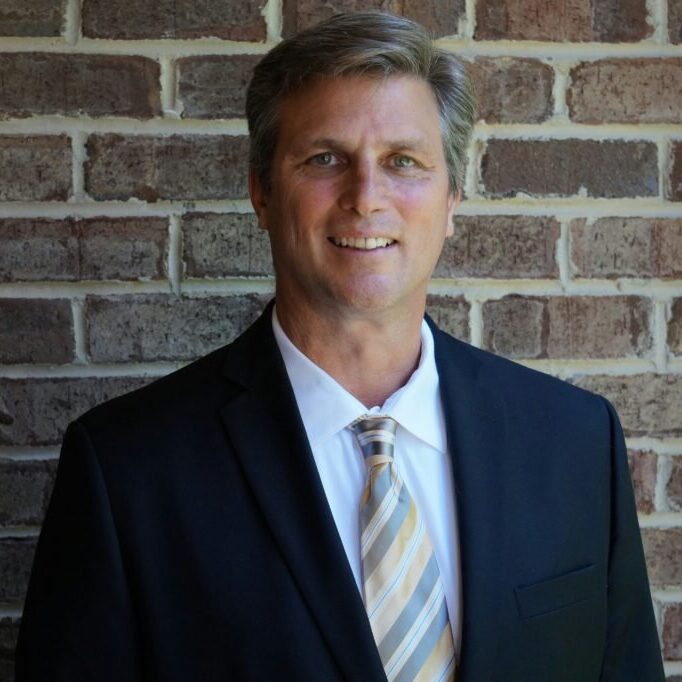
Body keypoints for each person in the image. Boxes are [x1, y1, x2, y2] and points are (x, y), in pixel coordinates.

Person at [16, 12, 664, 682]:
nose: (366, 197)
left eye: (403, 162)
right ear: (261, 192)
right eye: (325, 159)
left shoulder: (574, 441)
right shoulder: (128, 471)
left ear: (451, 203)